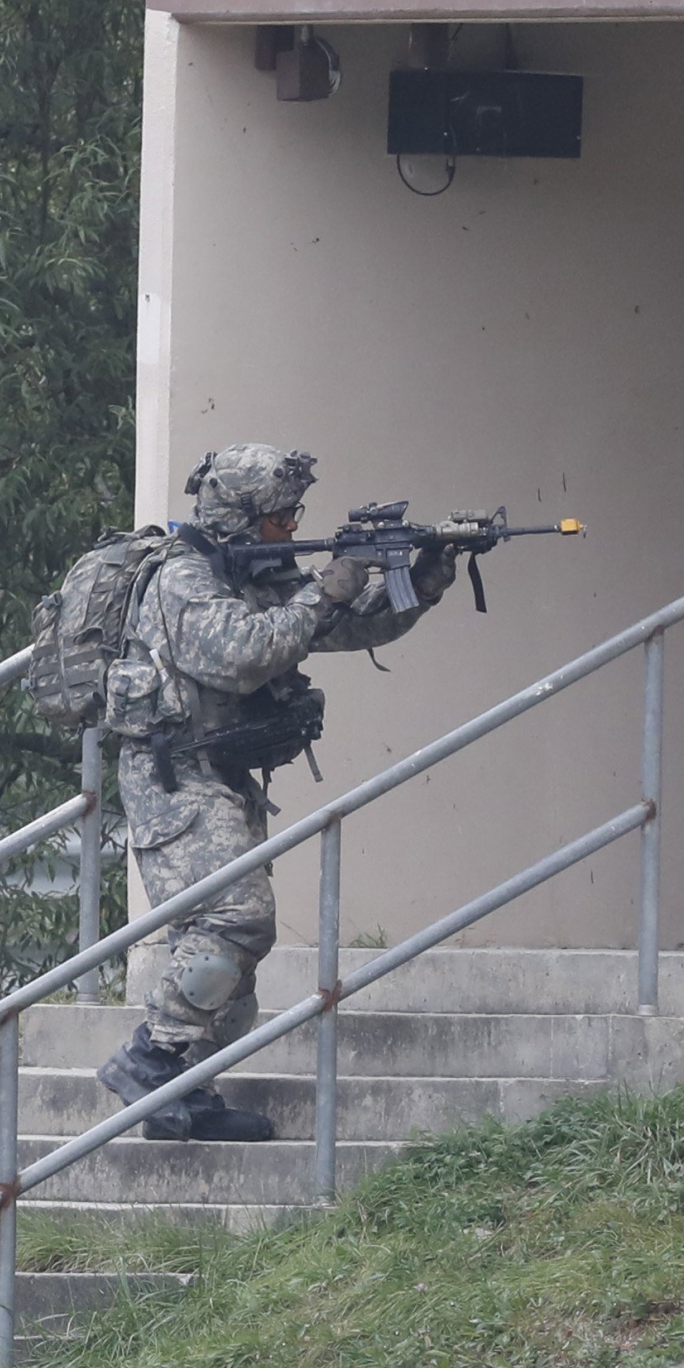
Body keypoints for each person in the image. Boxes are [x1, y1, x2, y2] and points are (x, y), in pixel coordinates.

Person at [95, 444, 454, 1140]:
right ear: (239, 516)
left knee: (229, 952)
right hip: (174, 774)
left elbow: (340, 626)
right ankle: (150, 1057)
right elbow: (242, 655)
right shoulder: (182, 578)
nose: (290, 530)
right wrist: (332, 583)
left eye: (294, 516)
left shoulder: (254, 571)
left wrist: (426, 574)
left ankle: (187, 1093)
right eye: (278, 518)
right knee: (238, 918)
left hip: (223, 769)